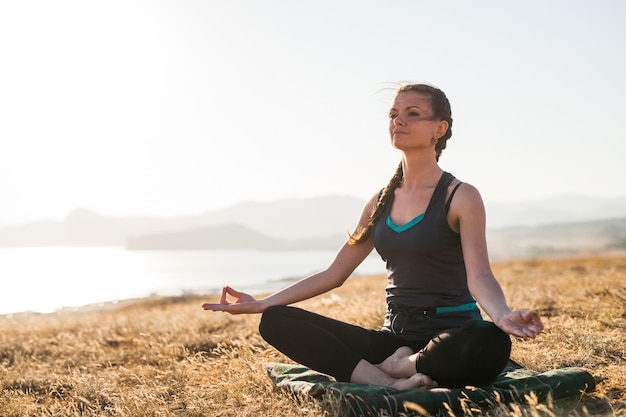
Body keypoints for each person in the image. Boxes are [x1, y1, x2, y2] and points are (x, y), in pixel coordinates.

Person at [202, 83, 544, 390]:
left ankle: (407, 367)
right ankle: (382, 378)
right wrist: (262, 303)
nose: (399, 121)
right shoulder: (380, 202)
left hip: (451, 335)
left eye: (412, 114)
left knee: (491, 340)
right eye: (394, 114)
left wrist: (501, 316)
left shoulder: (461, 196)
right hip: (393, 338)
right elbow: (334, 274)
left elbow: (480, 275)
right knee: (276, 320)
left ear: (440, 129)